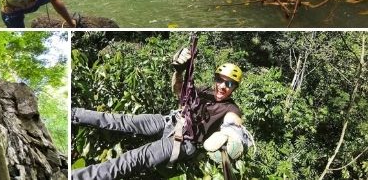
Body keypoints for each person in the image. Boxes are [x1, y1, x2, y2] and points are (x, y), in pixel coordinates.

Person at [71, 48, 252, 180]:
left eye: (229, 84)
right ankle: (73, 114)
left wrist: (232, 133)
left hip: (185, 142)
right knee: (119, 120)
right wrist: (179, 70)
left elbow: (234, 122)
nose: (222, 86)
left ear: (234, 88)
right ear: (215, 80)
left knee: (136, 158)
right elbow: (177, 89)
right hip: (170, 121)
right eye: (220, 80)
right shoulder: (205, 90)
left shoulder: (232, 109)